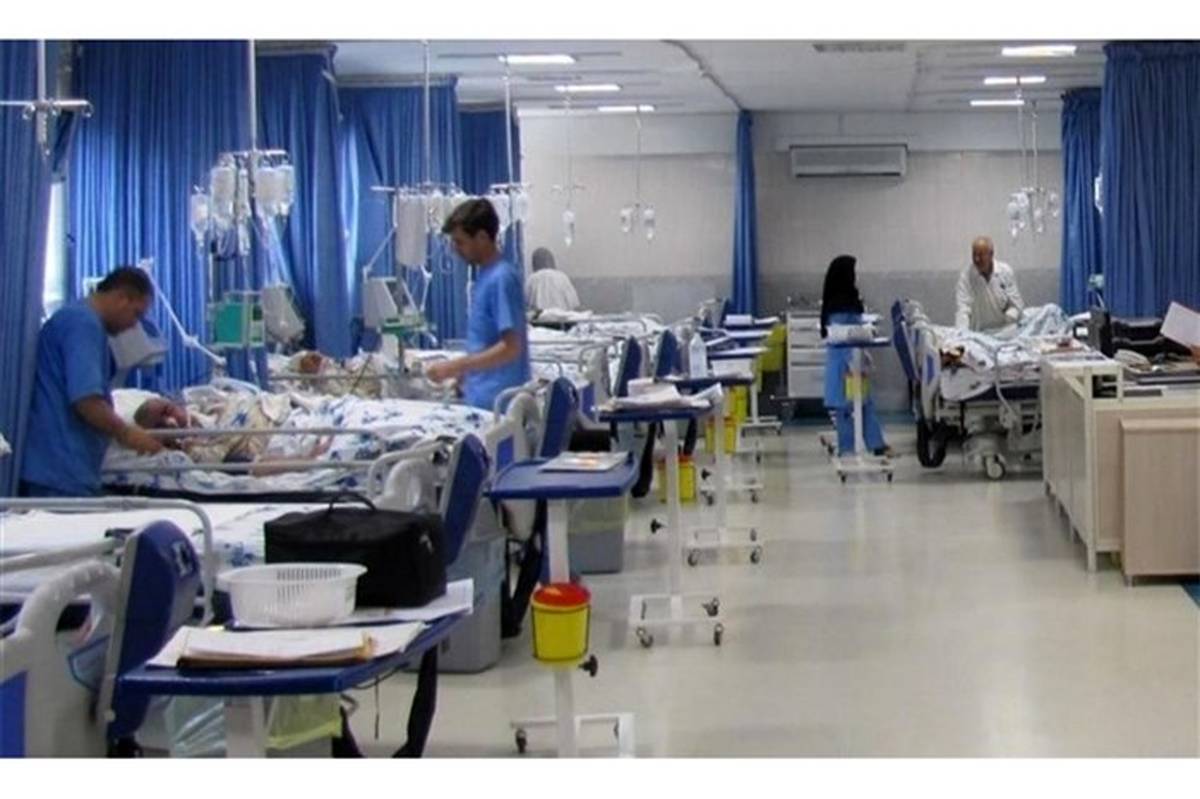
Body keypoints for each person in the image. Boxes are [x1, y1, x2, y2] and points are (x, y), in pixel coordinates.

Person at [20, 267, 165, 497]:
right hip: (61, 471)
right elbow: (87, 400)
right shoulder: (83, 325)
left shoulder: (75, 319)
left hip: (60, 467)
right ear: (122, 298)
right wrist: (127, 434)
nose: (134, 325)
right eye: (136, 314)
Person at [426, 199, 530, 410]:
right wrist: (465, 376)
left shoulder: (501, 279)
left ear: (482, 237)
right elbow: (486, 341)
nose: (455, 249)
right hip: (482, 396)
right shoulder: (485, 276)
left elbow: (511, 347)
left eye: (460, 242)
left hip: (497, 404)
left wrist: (456, 366)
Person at [821, 254, 890, 457]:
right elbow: (852, 330)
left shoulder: (832, 301)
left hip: (844, 361)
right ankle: (871, 445)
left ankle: (849, 449)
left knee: (848, 407)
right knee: (860, 404)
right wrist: (868, 331)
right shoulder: (846, 302)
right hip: (850, 361)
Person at [954, 236, 1025, 331]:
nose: (977, 259)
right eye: (974, 254)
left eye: (980, 255)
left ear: (991, 254)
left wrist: (1010, 317)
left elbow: (1017, 305)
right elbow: (963, 309)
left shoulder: (1005, 272)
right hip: (979, 331)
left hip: (1006, 330)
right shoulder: (966, 276)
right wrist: (961, 333)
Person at [525, 247, 581, 312]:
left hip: (540, 317)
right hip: (562, 316)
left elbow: (525, 303)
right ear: (552, 261)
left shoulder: (531, 279)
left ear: (534, 263)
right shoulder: (562, 277)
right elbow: (573, 303)